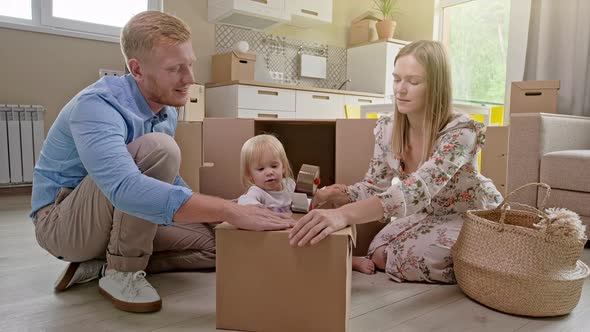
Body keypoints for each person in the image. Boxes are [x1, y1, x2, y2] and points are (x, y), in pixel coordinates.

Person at [30, 11, 292, 313]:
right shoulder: (96, 106)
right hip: (63, 224)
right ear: (137, 69)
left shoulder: (166, 108)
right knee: (161, 148)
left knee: (219, 242)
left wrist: (225, 212)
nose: (190, 79)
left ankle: (101, 266)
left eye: (190, 64)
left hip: (115, 215)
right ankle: (123, 273)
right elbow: (126, 187)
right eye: (175, 69)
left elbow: (167, 179)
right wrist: (227, 210)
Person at [288, 40, 502, 283]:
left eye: (413, 81)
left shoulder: (460, 132)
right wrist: (332, 194)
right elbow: (374, 187)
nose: (400, 89)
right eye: (397, 79)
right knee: (378, 252)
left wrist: (344, 215)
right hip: (426, 214)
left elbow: (416, 191)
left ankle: (491, 249)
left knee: (415, 258)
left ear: (436, 86)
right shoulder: (388, 128)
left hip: (468, 215)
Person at [237, 134, 295, 213]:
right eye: (261, 169)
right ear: (249, 174)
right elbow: (243, 201)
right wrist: (261, 209)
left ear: (283, 167)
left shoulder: (290, 185)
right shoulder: (257, 192)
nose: (269, 172)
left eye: (274, 166)